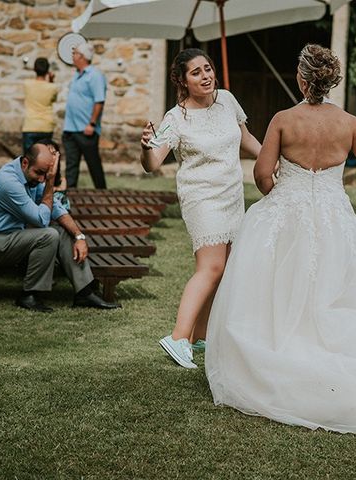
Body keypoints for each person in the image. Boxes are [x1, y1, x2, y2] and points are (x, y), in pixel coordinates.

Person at [204, 44, 356, 434]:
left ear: (302, 78)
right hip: (332, 219)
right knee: (328, 288)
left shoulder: (283, 120)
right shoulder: (350, 124)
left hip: (285, 215)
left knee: (277, 285)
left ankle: (278, 352)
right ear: (328, 82)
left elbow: (261, 174)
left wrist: (276, 192)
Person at [139, 48, 261, 369]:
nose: (206, 76)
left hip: (232, 195)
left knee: (225, 269)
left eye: (207, 69)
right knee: (210, 268)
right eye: (196, 72)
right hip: (201, 198)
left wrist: (271, 160)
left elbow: (246, 139)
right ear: (182, 80)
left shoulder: (228, 101)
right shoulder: (175, 118)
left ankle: (201, 336)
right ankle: (179, 337)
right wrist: (145, 147)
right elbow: (153, 162)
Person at [0, 143, 121, 312]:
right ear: (25, 163)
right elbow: (41, 220)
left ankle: (84, 292)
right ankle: (29, 294)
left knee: (62, 231)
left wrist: (79, 237)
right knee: (48, 235)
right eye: (40, 173)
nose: (42, 179)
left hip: (11, 238)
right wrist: (51, 180)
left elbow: (57, 209)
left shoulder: (31, 173)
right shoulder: (8, 182)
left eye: (46, 174)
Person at [62, 42, 108, 189]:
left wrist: (92, 124)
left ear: (82, 57)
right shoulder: (76, 75)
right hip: (70, 129)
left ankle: (103, 195)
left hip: (86, 129)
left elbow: (99, 101)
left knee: (93, 166)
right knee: (71, 167)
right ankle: (68, 199)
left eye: (74, 53)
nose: (72, 55)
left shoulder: (95, 75)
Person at [22, 57, 58, 155]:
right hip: (46, 126)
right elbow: (54, 99)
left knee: (28, 160)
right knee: (44, 158)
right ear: (47, 70)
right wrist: (51, 81)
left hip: (30, 125)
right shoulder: (52, 87)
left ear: (34, 69)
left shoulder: (27, 84)